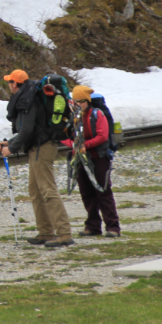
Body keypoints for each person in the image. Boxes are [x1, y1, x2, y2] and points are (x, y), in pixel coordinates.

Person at [0, 69, 74, 248]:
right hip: (37, 146)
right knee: (35, 191)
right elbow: (28, 129)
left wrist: (11, 148)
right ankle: (46, 232)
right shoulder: (28, 95)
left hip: (43, 146)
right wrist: (11, 141)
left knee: (47, 190)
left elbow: (27, 129)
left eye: (9, 82)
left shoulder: (27, 99)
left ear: (15, 84)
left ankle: (64, 233)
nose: (8, 85)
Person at [63, 85, 121, 238]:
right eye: (75, 101)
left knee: (103, 191)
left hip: (99, 157)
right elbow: (63, 137)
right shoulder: (72, 117)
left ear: (87, 101)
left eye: (81, 101)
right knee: (86, 193)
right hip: (81, 158)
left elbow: (102, 136)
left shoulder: (97, 114)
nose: (78, 104)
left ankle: (113, 227)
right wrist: (75, 146)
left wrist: (85, 145)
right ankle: (93, 226)